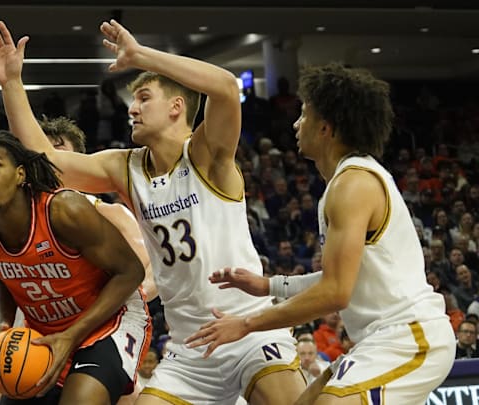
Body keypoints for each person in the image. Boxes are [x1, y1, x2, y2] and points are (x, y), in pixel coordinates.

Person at [0, 14, 303, 405]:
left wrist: (141, 55)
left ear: (177, 106)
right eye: (133, 100)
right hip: (189, 347)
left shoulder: (207, 155)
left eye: (144, 99)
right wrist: (10, 83)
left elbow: (226, 87)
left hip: (246, 330)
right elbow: (45, 159)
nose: (132, 109)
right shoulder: (126, 167)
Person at [187, 63, 455, 404]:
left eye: (304, 115)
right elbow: (339, 279)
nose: (297, 124)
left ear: (326, 128)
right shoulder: (344, 182)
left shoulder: (353, 185)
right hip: (380, 339)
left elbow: (335, 293)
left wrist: (246, 324)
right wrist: (268, 285)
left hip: (409, 336)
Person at [0, 11, 152, 405]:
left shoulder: (70, 209)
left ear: (23, 173)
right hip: (39, 327)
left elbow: (134, 273)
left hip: (104, 322)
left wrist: (71, 335)